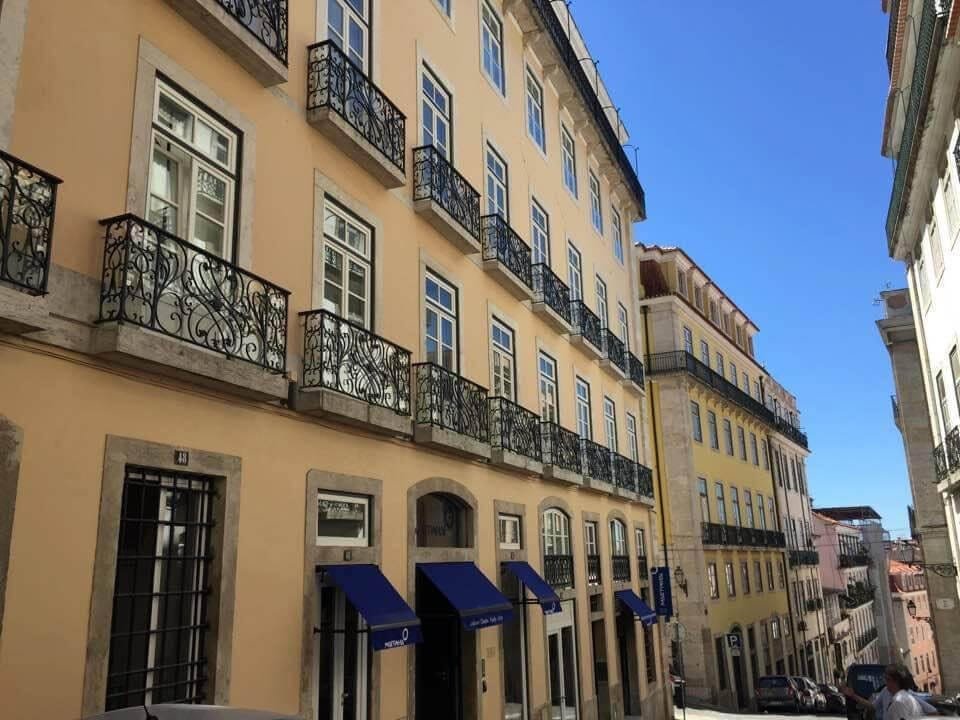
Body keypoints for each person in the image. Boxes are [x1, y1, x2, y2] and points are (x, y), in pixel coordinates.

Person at [840, 664, 938, 720]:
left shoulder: (904, 698)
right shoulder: (885, 691)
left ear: (895, 681)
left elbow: (933, 712)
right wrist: (853, 696)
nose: (885, 682)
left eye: (887, 679)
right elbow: (872, 706)